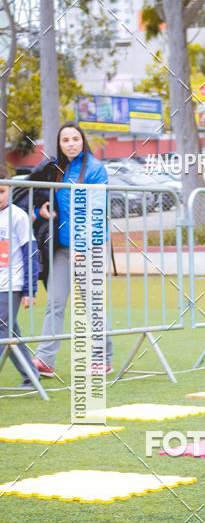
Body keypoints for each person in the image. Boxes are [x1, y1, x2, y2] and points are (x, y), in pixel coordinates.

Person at [32, 122, 112, 378]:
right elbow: (37, 196)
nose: (71, 144)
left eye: (75, 139)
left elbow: (96, 212)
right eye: (65, 140)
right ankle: (45, 360)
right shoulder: (54, 168)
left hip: (89, 248)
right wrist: (40, 210)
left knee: (92, 304)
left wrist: (82, 246)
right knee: (54, 303)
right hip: (62, 249)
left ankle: (103, 359)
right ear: (59, 144)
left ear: (82, 140)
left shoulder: (95, 169)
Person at [0, 165, 40, 388]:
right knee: (10, 331)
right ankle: (31, 376)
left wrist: (29, 289)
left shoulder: (18, 216)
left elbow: (30, 253)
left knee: (2, 328)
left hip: (11, 285)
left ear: (10, 190)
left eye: (1, 191)